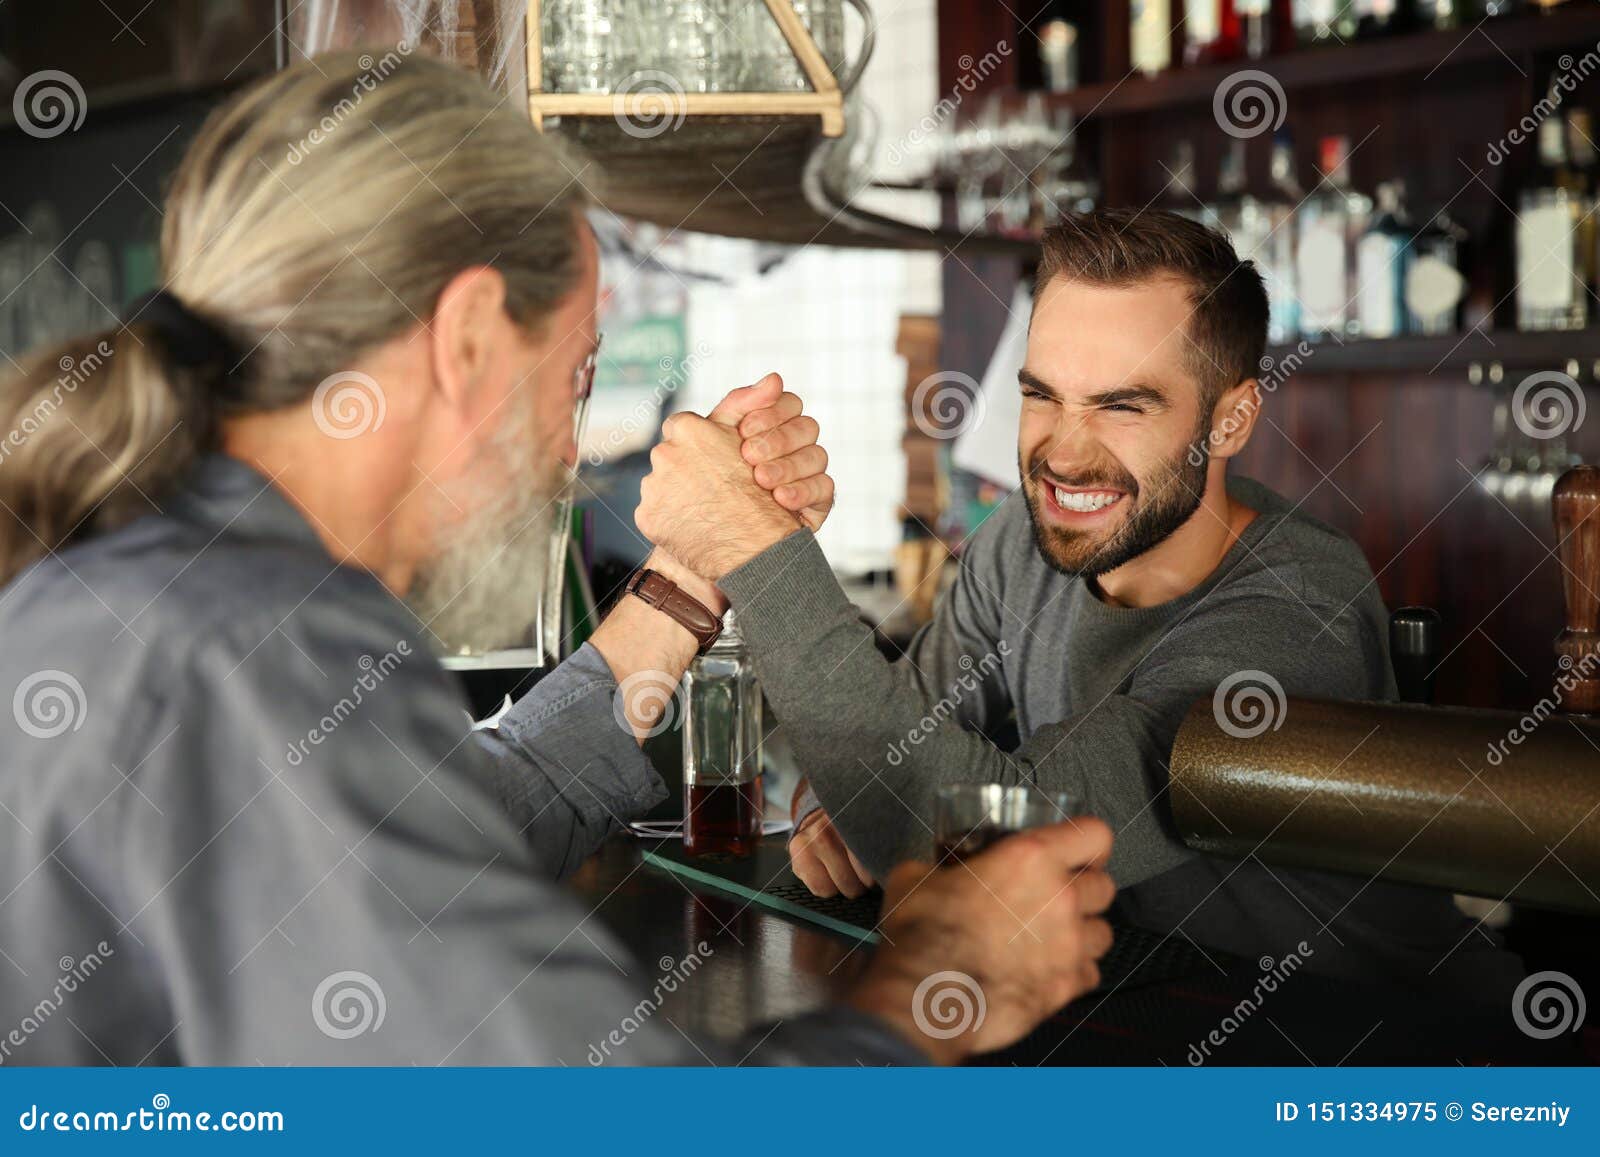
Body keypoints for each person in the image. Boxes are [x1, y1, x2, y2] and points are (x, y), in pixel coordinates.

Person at [0, 53, 1116, 1065]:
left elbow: (448, 825)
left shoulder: (166, 589)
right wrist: (933, 986)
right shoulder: (249, 644)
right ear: (471, 335)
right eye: (577, 372)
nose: (567, 446)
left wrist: (684, 581)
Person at [635, 209, 1525, 1000]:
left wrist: (755, 549)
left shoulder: (1294, 615)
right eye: (1040, 395)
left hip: (1379, 1056)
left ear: (1230, 419)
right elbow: (897, 752)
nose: (1063, 455)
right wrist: (853, 814)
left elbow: (994, 825)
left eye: (1121, 406)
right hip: (1148, 1020)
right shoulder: (1023, 543)